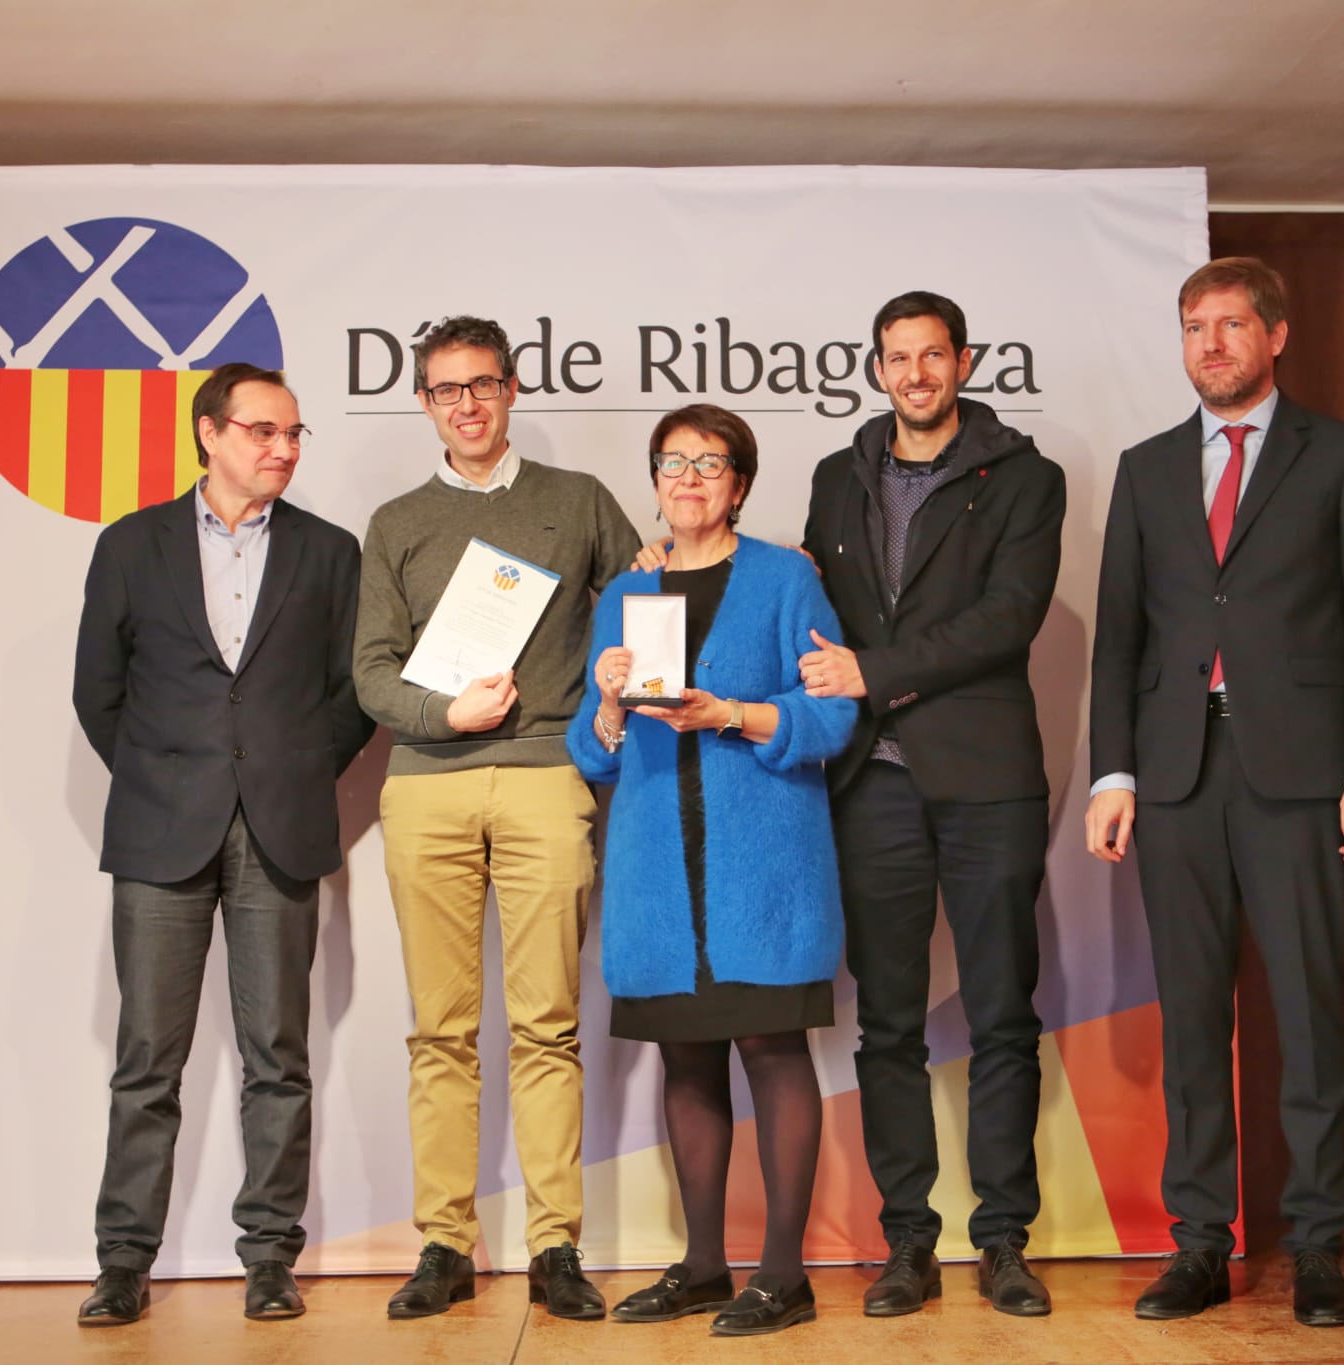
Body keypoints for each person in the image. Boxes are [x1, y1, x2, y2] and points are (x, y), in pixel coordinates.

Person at [1085, 257, 1344, 1328]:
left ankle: (1316, 1246)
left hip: (1302, 776)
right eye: (1192, 326)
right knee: (1188, 1019)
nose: (1209, 343)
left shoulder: (1341, 457)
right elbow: (1120, 633)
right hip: (1174, 775)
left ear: (1274, 336)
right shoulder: (1143, 468)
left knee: (1310, 1014)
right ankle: (1197, 1246)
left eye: (1229, 325)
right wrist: (1113, 770)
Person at [71, 362, 375, 1326]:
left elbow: (351, 695)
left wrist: (284, 768)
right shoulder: (133, 544)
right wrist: (169, 773)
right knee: (146, 1058)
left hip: (279, 829)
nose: (282, 448)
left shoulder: (331, 552)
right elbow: (98, 691)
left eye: (293, 435)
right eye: (263, 431)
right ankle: (123, 1260)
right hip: (160, 830)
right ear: (210, 433)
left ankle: (270, 1256)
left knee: (277, 1055)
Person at [353, 316, 640, 1321]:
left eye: (480, 384)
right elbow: (369, 673)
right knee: (438, 1029)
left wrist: (617, 689)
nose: (465, 403)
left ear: (512, 389)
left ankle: (553, 1245)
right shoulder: (396, 522)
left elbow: (643, 598)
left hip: (542, 778)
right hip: (425, 784)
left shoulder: (577, 503)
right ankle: (444, 1241)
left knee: (546, 1025)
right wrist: (445, 713)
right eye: (443, 389)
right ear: (424, 403)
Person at [798, 290, 1067, 1319]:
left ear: (963, 362)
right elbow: (804, 600)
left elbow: (1008, 620)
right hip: (871, 783)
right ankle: (906, 1242)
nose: (913, 374)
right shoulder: (836, 477)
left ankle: (1003, 1240)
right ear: (875, 369)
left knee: (1002, 1015)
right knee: (888, 1027)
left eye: (931, 356)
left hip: (986, 779)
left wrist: (875, 671)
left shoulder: (1023, 479)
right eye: (895, 358)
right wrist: (670, 571)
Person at [570, 404, 856, 1337]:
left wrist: (731, 713)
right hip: (660, 871)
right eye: (672, 462)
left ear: (740, 483)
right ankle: (701, 1264)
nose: (689, 476)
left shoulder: (785, 581)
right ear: (654, 480)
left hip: (762, 865)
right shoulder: (626, 594)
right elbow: (593, 751)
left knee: (773, 1054)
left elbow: (830, 720)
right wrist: (610, 703)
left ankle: (782, 1274)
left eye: (711, 462)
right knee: (686, 1058)